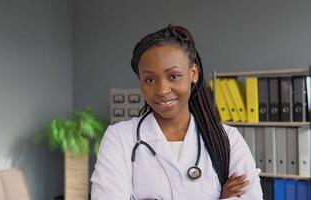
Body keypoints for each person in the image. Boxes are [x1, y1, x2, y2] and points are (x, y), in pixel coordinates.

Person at [90, 25, 263, 199]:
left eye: (173, 76)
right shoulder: (120, 138)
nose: (162, 90)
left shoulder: (228, 139)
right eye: (150, 79)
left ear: (193, 73)